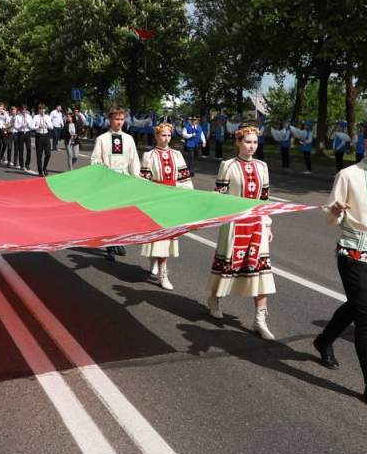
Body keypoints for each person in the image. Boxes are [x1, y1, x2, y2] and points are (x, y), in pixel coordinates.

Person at [313, 117, 367, 412]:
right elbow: (329, 217)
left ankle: (324, 340)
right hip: (353, 254)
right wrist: (336, 211)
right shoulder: (348, 174)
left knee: (355, 306)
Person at [206, 126, 276, 339]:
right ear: (238, 142)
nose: (251, 146)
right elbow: (220, 196)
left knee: (262, 269)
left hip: (256, 223)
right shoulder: (227, 166)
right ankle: (214, 299)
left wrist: (267, 224)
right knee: (227, 264)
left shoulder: (262, 167)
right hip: (234, 224)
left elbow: (264, 200)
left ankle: (260, 319)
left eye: (255, 142)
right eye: (247, 142)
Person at [140, 123, 193, 289]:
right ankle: (156, 264)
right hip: (156, 200)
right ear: (156, 136)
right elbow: (143, 181)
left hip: (171, 199)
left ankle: (163, 271)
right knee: (157, 236)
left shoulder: (177, 155)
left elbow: (184, 177)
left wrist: (186, 197)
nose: (166, 138)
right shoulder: (149, 155)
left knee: (167, 237)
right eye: (163, 135)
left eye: (169, 135)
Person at [91, 107, 141, 260]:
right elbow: (95, 160)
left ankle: (119, 241)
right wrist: (102, 170)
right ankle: (110, 246)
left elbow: (134, 160)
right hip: (108, 180)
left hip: (123, 179)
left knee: (122, 214)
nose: (119, 122)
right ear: (110, 120)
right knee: (109, 214)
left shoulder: (128, 139)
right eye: (116, 119)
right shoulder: (102, 139)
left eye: (121, 119)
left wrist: (136, 177)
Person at [33, 104, 54, 176]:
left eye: (43, 109)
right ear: (39, 110)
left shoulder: (47, 117)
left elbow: (51, 127)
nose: (42, 110)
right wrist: (38, 126)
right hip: (39, 136)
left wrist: (47, 125)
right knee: (39, 155)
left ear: (45, 110)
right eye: (41, 109)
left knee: (48, 154)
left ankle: (44, 168)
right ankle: (40, 171)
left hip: (46, 135)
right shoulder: (36, 117)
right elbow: (32, 127)